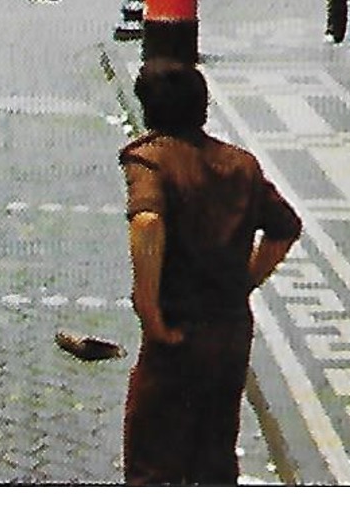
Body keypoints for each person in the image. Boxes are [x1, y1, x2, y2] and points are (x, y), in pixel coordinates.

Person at [119, 58, 301, 485]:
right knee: (215, 451)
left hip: (177, 330)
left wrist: (149, 310)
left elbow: (146, 221)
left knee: (152, 458)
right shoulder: (240, 165)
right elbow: (284, 229)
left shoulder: (150, 160)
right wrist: (244, 283)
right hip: (230, 328)